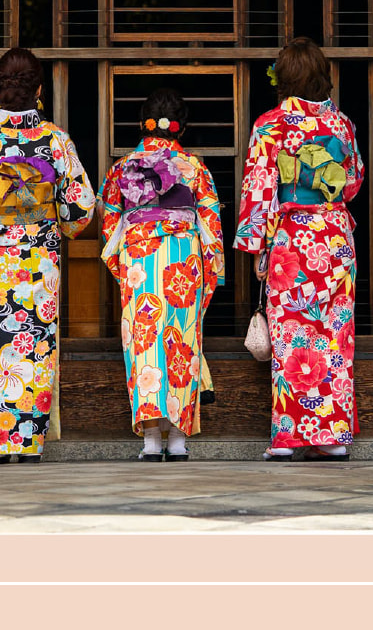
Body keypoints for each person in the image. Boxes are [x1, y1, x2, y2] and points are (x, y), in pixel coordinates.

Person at [0, 48, 96, 464]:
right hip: (38, 258)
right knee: (35, 346)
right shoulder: (55, 140)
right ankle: (28, 442)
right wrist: (59, 224)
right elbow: (81, 206)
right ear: (40, 89)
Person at [235, 38, 364, 461]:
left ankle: (289, 436)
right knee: (334, 335)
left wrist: (256, 245)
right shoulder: (341, 124)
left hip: (292, 238)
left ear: (283, 78)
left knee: (293, 334)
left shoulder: (270, 124)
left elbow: (259, 188)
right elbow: (354, 181)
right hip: (334, 236)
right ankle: (331, 435)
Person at [100, 88, 225, 462]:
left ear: (143, 125)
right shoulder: (194, 167)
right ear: (180, 129)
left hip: (139, 258)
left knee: (144, 342)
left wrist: (122, 265)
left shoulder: (122, 168)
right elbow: (212, 224)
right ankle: (179, 441)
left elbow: (110, 223)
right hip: (183, 258)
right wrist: (210, 269)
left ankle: (151, 441)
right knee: (182, 341)